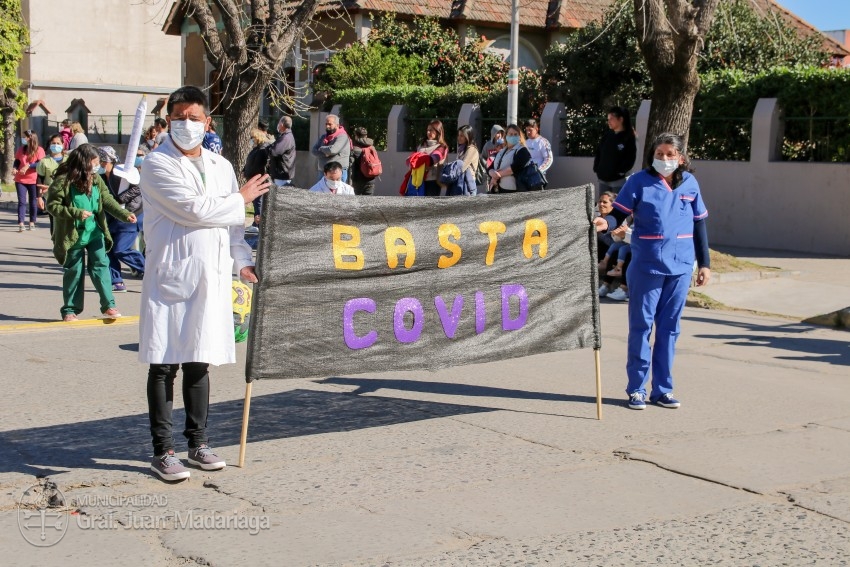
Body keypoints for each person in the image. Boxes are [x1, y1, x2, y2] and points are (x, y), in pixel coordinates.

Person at [139, 85, 270, 481]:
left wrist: (243, 261)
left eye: (194, 118)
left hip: (211, 278)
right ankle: (163, 451)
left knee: (200, 361)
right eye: (178, 118)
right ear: (168, 121)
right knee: (164, 363)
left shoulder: (220, 166)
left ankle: (198, 442)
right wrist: (243, 198)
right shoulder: (156, 164)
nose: (186, 125)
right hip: (172, 275)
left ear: (207, 122)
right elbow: (192, 210)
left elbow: (232, 227)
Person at [593, 133, 710, 411]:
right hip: (647, 266)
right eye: (659, 154)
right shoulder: (638, 182)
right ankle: (636, 389)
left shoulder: (690, 183)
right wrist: (605, 222)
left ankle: (663, 389)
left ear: (681, 158)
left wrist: (704, 264)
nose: (665, 159)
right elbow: (618, 214)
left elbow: (700, 226)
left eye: (670, 154)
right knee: (642, 327)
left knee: (670, 330)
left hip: (680, 267)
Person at [46, 144, 137, 322]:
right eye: (94, 162)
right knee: (74, 271)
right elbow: (52, 206)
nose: (98, 166)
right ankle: (70, 310)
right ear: (83, 162)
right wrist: (75, 213)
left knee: (101, 266)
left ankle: (109, 305)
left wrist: (124, 215)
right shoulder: (63, 181)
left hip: (94, 231)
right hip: (72, 234)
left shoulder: (95, 179)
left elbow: (107, 199)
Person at [97, 146, 146, 292]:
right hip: (112, 216)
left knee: (121, 248)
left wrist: (119, 199)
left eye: (101, 160)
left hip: (131, 214)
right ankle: (116, 281)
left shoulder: (121, 172)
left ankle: (149, 270)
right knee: (109, 248)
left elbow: (138, 187)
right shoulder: (100, 177)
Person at [593, 106, 637, 196]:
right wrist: (597, 168)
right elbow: (599, 153)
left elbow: (630, 157)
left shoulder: (629, 138)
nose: (608, 121)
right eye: (608, 119)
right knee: (604, 206)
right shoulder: (607, 135)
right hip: (603, 179)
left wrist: (620, 171)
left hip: (618, 181)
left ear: (620, 119)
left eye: (611, 119)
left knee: (617, 207)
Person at [595, 191, 630, 301]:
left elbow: (620, 240)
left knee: (616, 250)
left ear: (613, 205)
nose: (601, 204)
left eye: (604, 202)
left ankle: (606, 285)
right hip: (605, 249)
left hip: (617, 249)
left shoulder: (618, 221)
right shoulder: (597, 218)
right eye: (599, 201)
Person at [487, 124, 541, 193]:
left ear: (519, 136)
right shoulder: (502, 151)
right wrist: (491, 172)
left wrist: (496, 176)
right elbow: (491, 166)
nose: (513, 136)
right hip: (498, 189)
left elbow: (515, 167)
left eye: (515, 134)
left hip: (513, 190)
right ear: (506, 136)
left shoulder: (522, 150)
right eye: (510, 134)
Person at [406, 119, 448, 197]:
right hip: (418, 181)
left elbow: (433, 159)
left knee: (429, 207)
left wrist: (419, 162)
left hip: (432, 182)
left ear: (438, 132)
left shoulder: (441, 147)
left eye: (431, 130)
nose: (428, 132)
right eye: (427, 130)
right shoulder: (422, 144)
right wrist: (413, 162)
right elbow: (410, 159)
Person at [13, 130, 45, 231]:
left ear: (31, 138)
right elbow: (17, 161)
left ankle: (32, 222)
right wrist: (15, 168)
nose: (24, 138)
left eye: (25, 137)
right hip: (20, 179)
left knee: (32, 201)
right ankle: (21, 223)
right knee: (22, 202)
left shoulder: (39, 150)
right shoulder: (21, 149)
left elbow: (40, 164)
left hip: (33, 179)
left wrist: (29, 165)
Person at [36, 134, 67, 235]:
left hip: (67, 195)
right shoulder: (44, 161)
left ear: (63, 144)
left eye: (58, 143)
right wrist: (39, 198)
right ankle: (56, 242)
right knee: (54, 221)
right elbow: (39, 180)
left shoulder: (69, 160)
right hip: (50, 196)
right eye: (53, 143)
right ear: (49, 145)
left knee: (67, 221)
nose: (56, 145)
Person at [243, 128, 273, 226]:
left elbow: (259, 166)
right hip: (254, 178)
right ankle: (257, 221)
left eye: (252, 138)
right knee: (257, 202)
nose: (251, 140)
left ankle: (259, 222)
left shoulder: (262, 150)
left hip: (258, 180)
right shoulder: (257, 149)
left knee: (258, 202)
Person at [311, 114, 351, 183]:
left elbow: (332, 150)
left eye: (330, 124)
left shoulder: (342, 136)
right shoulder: (324, 137)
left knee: (337, 193)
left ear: (337, 125)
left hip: (336, 173)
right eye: (326, 124)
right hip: (323, 171)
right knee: (320, 193)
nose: (327, 126)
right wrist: (325, 154)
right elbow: (314, 150)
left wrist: (321, 148)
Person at [442, 125, 479, 196]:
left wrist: (451, 176)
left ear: (468, 137)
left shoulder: (471, 149)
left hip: (467, 184)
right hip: (460, 181)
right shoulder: (461, 149)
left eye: (462, 136)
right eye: (458, 135)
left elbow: (462, 166)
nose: (459, 138)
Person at [269, 115, 296, 188]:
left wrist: (268, 146)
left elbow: (274, 152)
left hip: (282, 175)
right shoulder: (285, 136)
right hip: (282, 174)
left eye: (279, 122)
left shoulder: (286, 138)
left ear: (282, 124)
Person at [349, 126, 377, 196]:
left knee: (357, 203)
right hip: (371, 179)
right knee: (368, 203)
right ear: (366, 135)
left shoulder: (354, 149)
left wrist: (350, 183)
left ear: (356, 136)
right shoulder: (372, 148)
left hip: (358, 180)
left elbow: (351, 167)